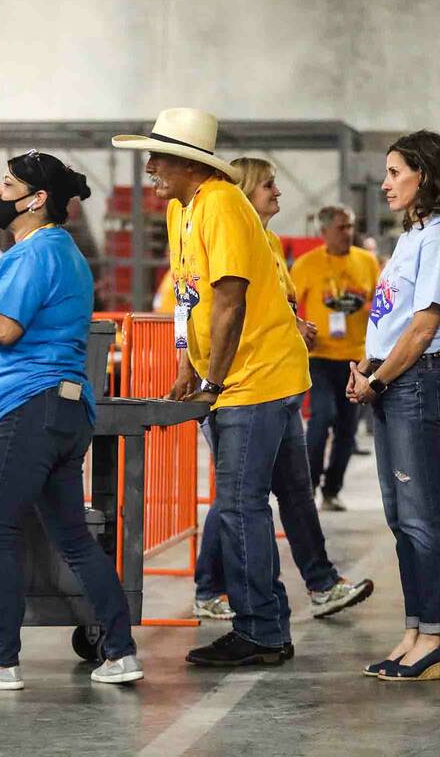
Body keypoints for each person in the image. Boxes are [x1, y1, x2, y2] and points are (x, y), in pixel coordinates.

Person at [0, 150, 143, 688]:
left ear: (36, 198)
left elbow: (4, 331)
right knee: (72, 538)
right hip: (65, 410)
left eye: (7, 184)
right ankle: (120, 651)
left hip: (31, 406)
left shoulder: (33, 253)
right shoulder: (60, 251)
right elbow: (12, 314)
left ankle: (0, 659)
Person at [114, 108, 311, 667]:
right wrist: (186, 363)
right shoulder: (183, 209)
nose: (149, 168)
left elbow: (230, 299)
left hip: (255, 378)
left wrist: (212, 380)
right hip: (232, 378)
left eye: (157, 158)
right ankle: (267, 624)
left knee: (240, 506)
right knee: (247, 503)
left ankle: (262, 632)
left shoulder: (222, 204)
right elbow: (189, 297)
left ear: (188, 163)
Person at [191, 162, 372, 623]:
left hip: (282, 379)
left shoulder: (270, 243)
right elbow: (220, 306)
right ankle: (217, 591)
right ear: (248, 191)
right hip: (246, 385)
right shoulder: (231, 236)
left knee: (292, 491)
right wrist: (202, 378)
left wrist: (296, 324)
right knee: (238, 497)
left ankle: (323, 584)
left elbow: (275, 302)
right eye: (270, 185)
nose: (279, 193)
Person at [347, 129, 440, 682]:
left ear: (426, 175)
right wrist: (368, 369)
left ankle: (436, 637)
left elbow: (423, 328)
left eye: (396, 172)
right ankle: (416, 627)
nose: (385, 182)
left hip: (415, 382)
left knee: (421, 518)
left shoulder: (439, 237)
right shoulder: (412, 236)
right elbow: (393, 320)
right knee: (401, 517)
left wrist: (379, 379)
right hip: (392, 380)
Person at [290, 204, 380, 510]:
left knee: (347, 427)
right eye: (341, 228)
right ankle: (310, 486)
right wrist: (298, 331)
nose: (348, 233)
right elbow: (286, 306)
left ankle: (332, 490)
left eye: (351, 226)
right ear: (324, 231)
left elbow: (381, 304)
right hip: (320, 357)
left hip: (357, 359)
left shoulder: (368, 262)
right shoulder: (306, 265)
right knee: (322, 417)